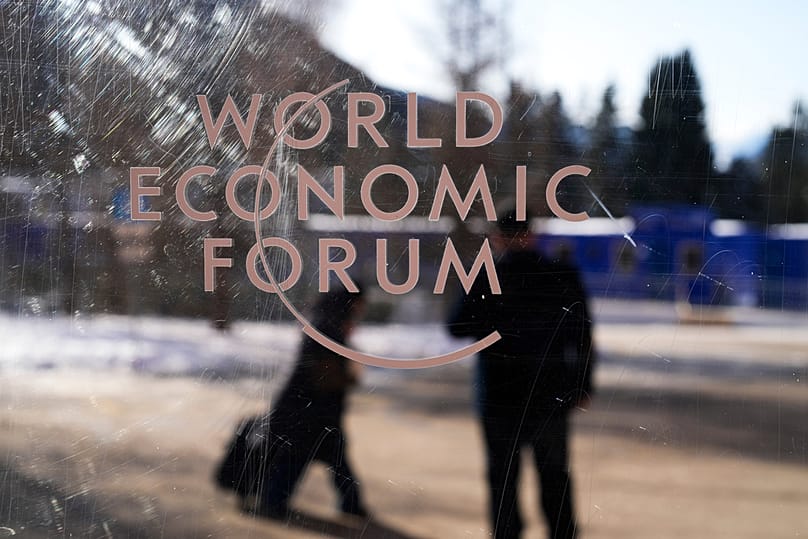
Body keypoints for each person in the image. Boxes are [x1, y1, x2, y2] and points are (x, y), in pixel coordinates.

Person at [448, 210, 595, 539]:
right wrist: (583, 385)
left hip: (499, 396)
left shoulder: (488, 276)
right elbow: (582, 335)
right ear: (533, 232)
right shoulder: (561, 274)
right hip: (550, 394)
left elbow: (456, 327)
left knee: (503, 479)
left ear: (497, 236)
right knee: (555, 476)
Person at [250, 286, 369, 519]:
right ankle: (273, 502)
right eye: (359, 305)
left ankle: (351, 504)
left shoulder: (325, 324)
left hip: (312, 410)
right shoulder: (327, 329)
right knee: (298, 458)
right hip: (310, 412)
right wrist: (351, 372)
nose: (361, 311)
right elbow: (326, 375)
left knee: (322, 458)